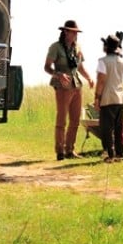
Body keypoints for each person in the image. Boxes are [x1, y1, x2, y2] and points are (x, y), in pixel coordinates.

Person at [44, 19, 94, 161]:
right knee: (61, 120)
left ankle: (70, 150)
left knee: (75, 120)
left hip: (76, 85)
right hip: (62, 86)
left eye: (76, 32)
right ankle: (60, 151)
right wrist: (58, 74)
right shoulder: (55, 47)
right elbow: (47, 67)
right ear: (65, 32)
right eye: (73, 32)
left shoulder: (77, 47)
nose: (75, 35)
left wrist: (89, 78)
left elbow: (80, 67)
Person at [94, 33, 123, 162]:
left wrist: (97, 98)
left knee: (106, 127)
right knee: (119, 128)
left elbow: (101, 81)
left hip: (108, 97)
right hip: (120, 97)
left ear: (107, 46)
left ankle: (109, 153)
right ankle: (120, 153)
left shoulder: (102, 61)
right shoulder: (122, 61)